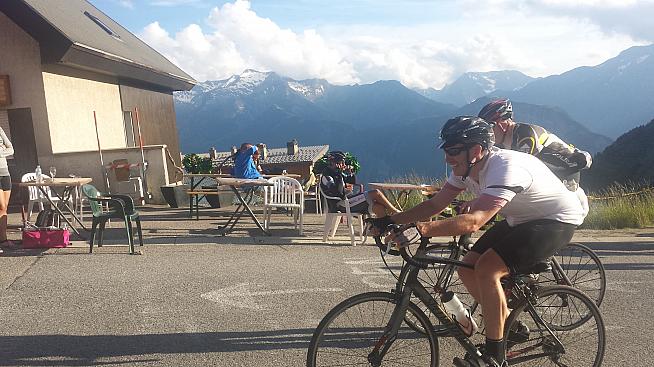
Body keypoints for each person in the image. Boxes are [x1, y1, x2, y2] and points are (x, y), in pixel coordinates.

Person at [366, 116, 586, 367]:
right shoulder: (466, 169)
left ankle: (494, 354)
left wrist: (422, 230)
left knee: (488, 268)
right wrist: (391, 220)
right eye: (446, 150)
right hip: (520, 218)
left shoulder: (505, 167)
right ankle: (507, 326)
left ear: (477, 151)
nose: (448, 158)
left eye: (454, 151)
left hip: (556, 220)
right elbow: (436, 204)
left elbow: (474, 221)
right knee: (466, 267)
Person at [477, 98, 592, 192]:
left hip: (566, 171)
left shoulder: (525, 135)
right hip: (551, 168)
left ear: (503, 123)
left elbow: (521, 169)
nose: (487, 132)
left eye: (490, 126)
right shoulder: (505, 138)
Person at [319, 151, 400, 218]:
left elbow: (352, 181)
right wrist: (340, 173)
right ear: (334, 163)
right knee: (376, 193)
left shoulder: (336, 173)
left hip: (348, 201)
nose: (343, 164)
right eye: (341, 162)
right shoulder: (327, 176)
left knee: (379, 208)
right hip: (341, 205)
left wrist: (350, 172)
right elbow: (339, 193)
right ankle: (396, 213)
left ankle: (380, 229)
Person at [0, 127, 17, 252]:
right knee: (0, 205)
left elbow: (11, 149)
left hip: (5, 173)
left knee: (4, 207)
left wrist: (1, 153)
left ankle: (3, 240)